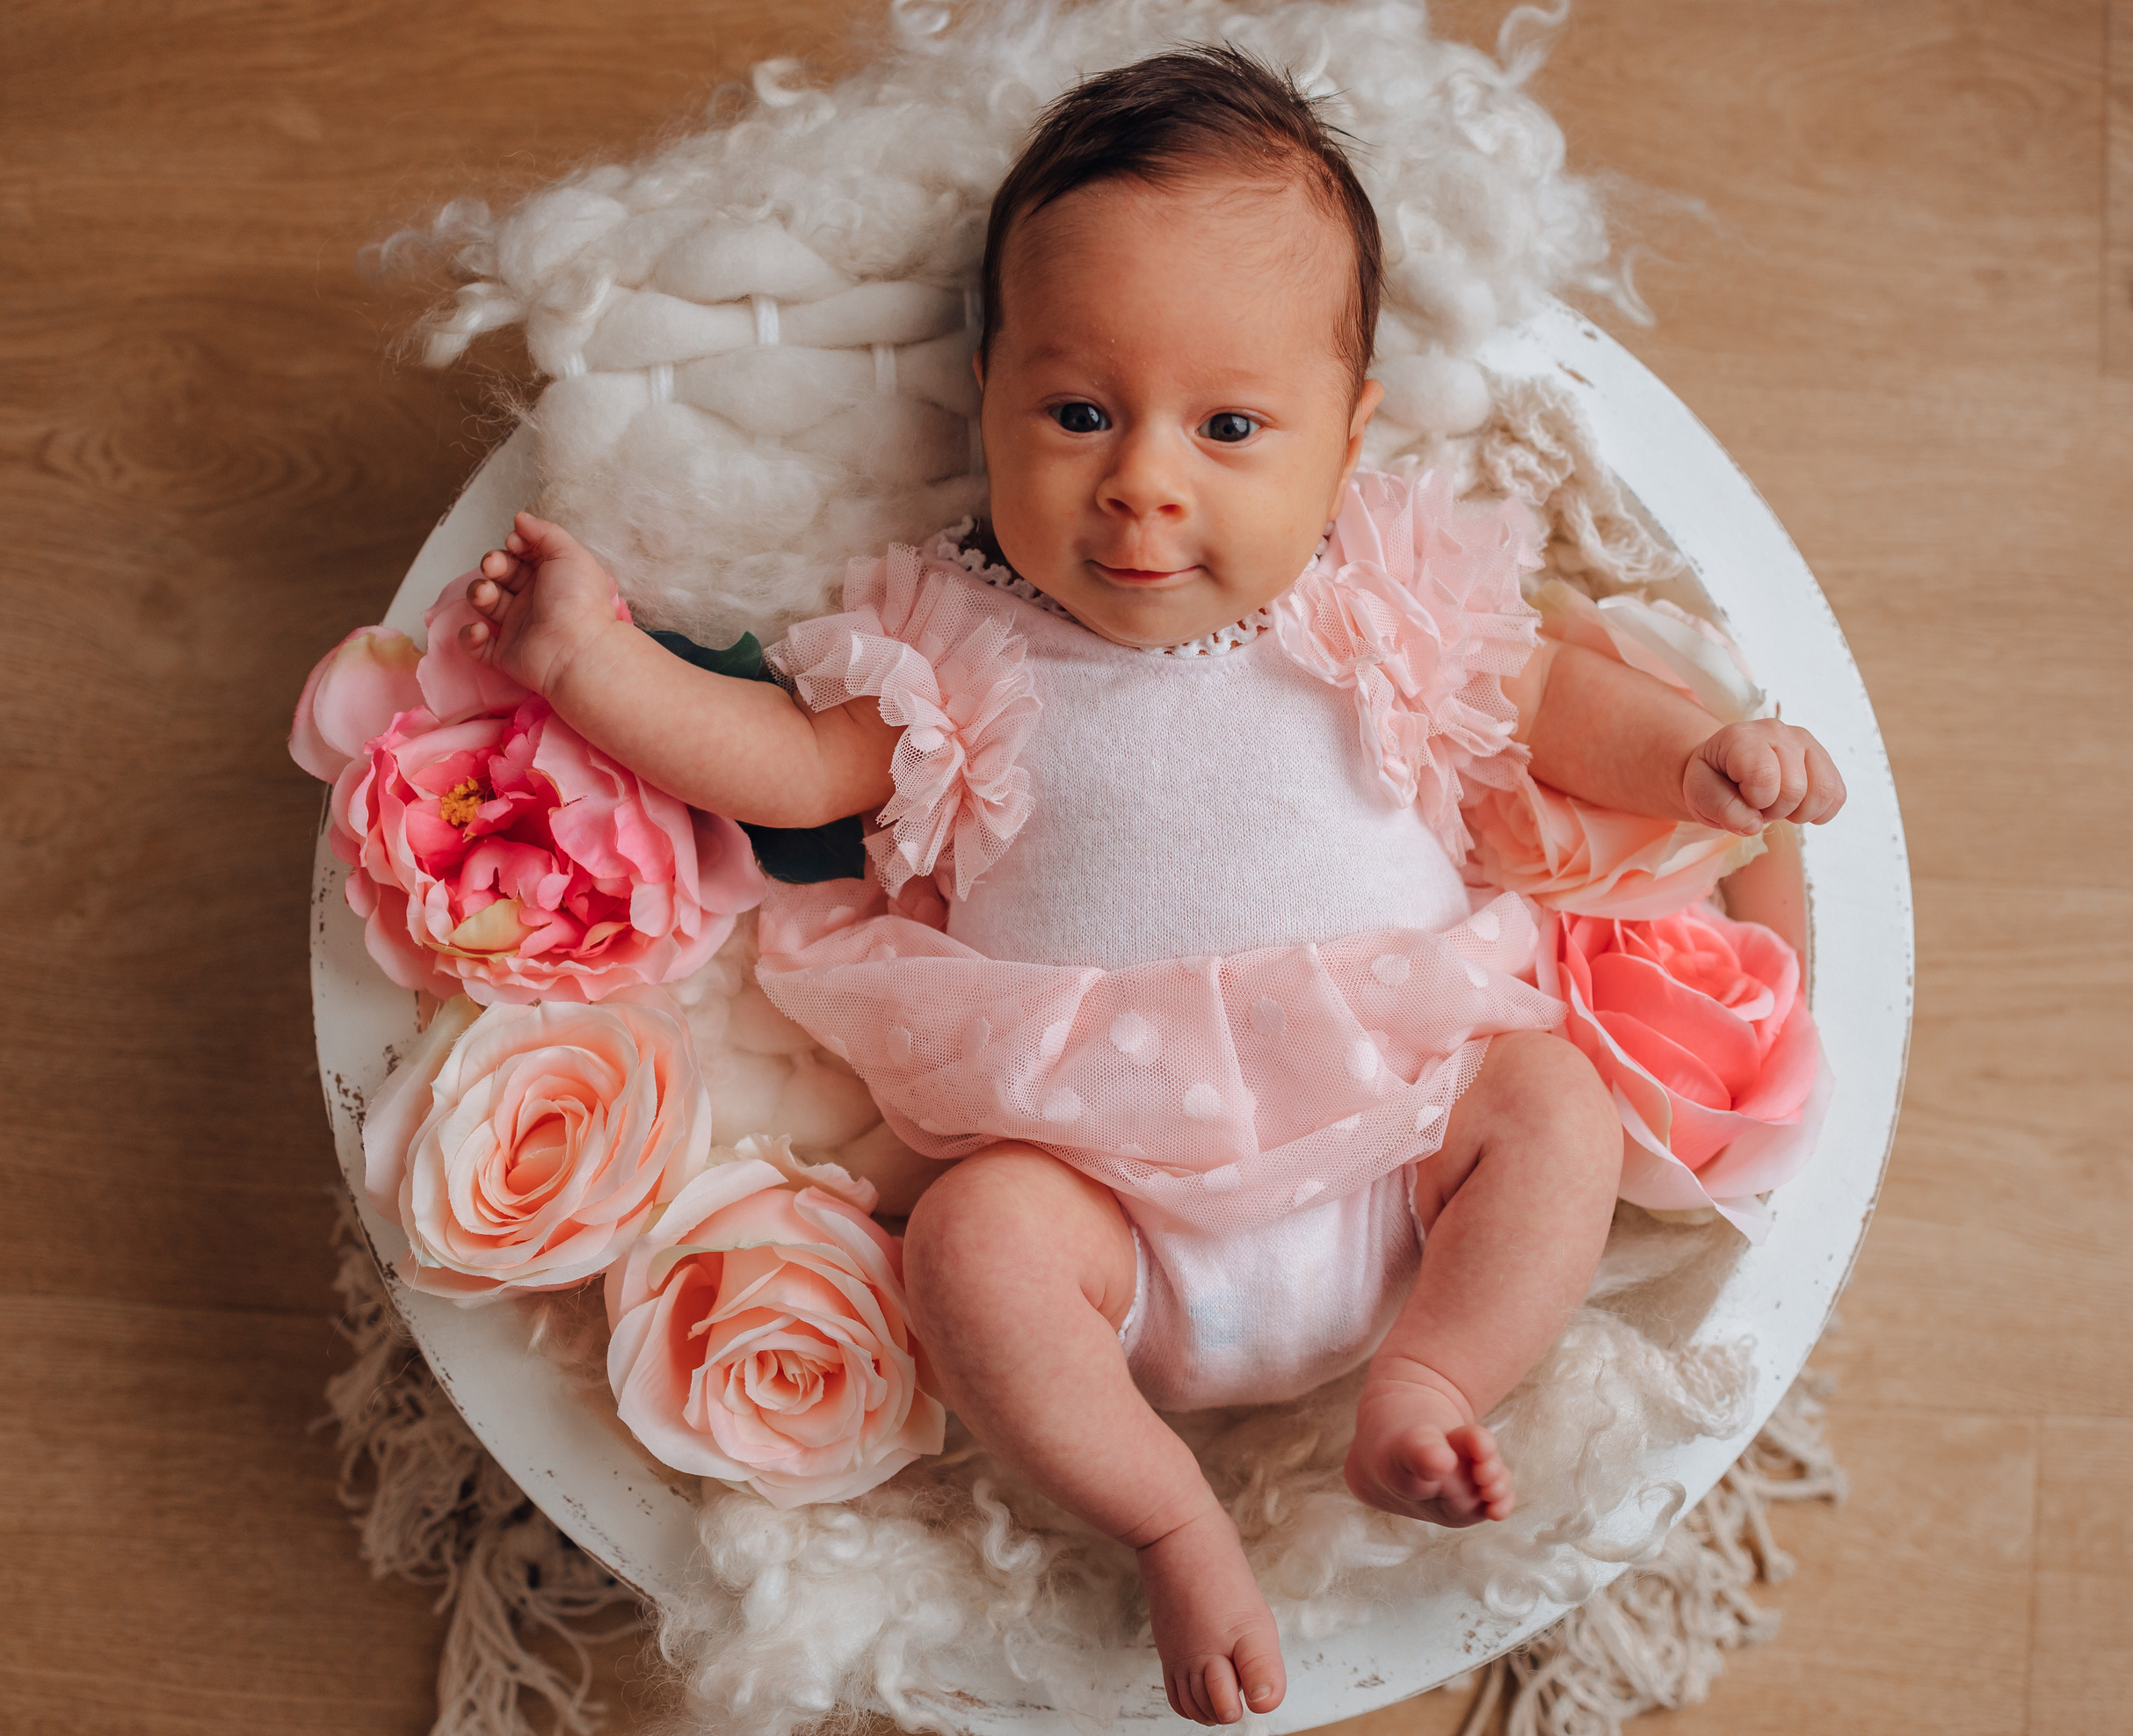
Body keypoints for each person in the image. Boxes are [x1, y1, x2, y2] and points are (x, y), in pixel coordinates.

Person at [452, 47, 1846, 1728]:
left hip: (1406, 1152)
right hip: (1103, 1204)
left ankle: (1429, 1381)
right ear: (988, 396)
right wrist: (594, 666)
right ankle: (1174, 1520)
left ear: (1350, 440)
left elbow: (1552, 702)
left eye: (1232, 426)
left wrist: (1698, 757)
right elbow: (789, 764)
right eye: (1079, 412)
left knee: (1547, 1102)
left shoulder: (1380, 596)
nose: (1143, 481)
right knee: (969, 1243)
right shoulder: (950, 640)